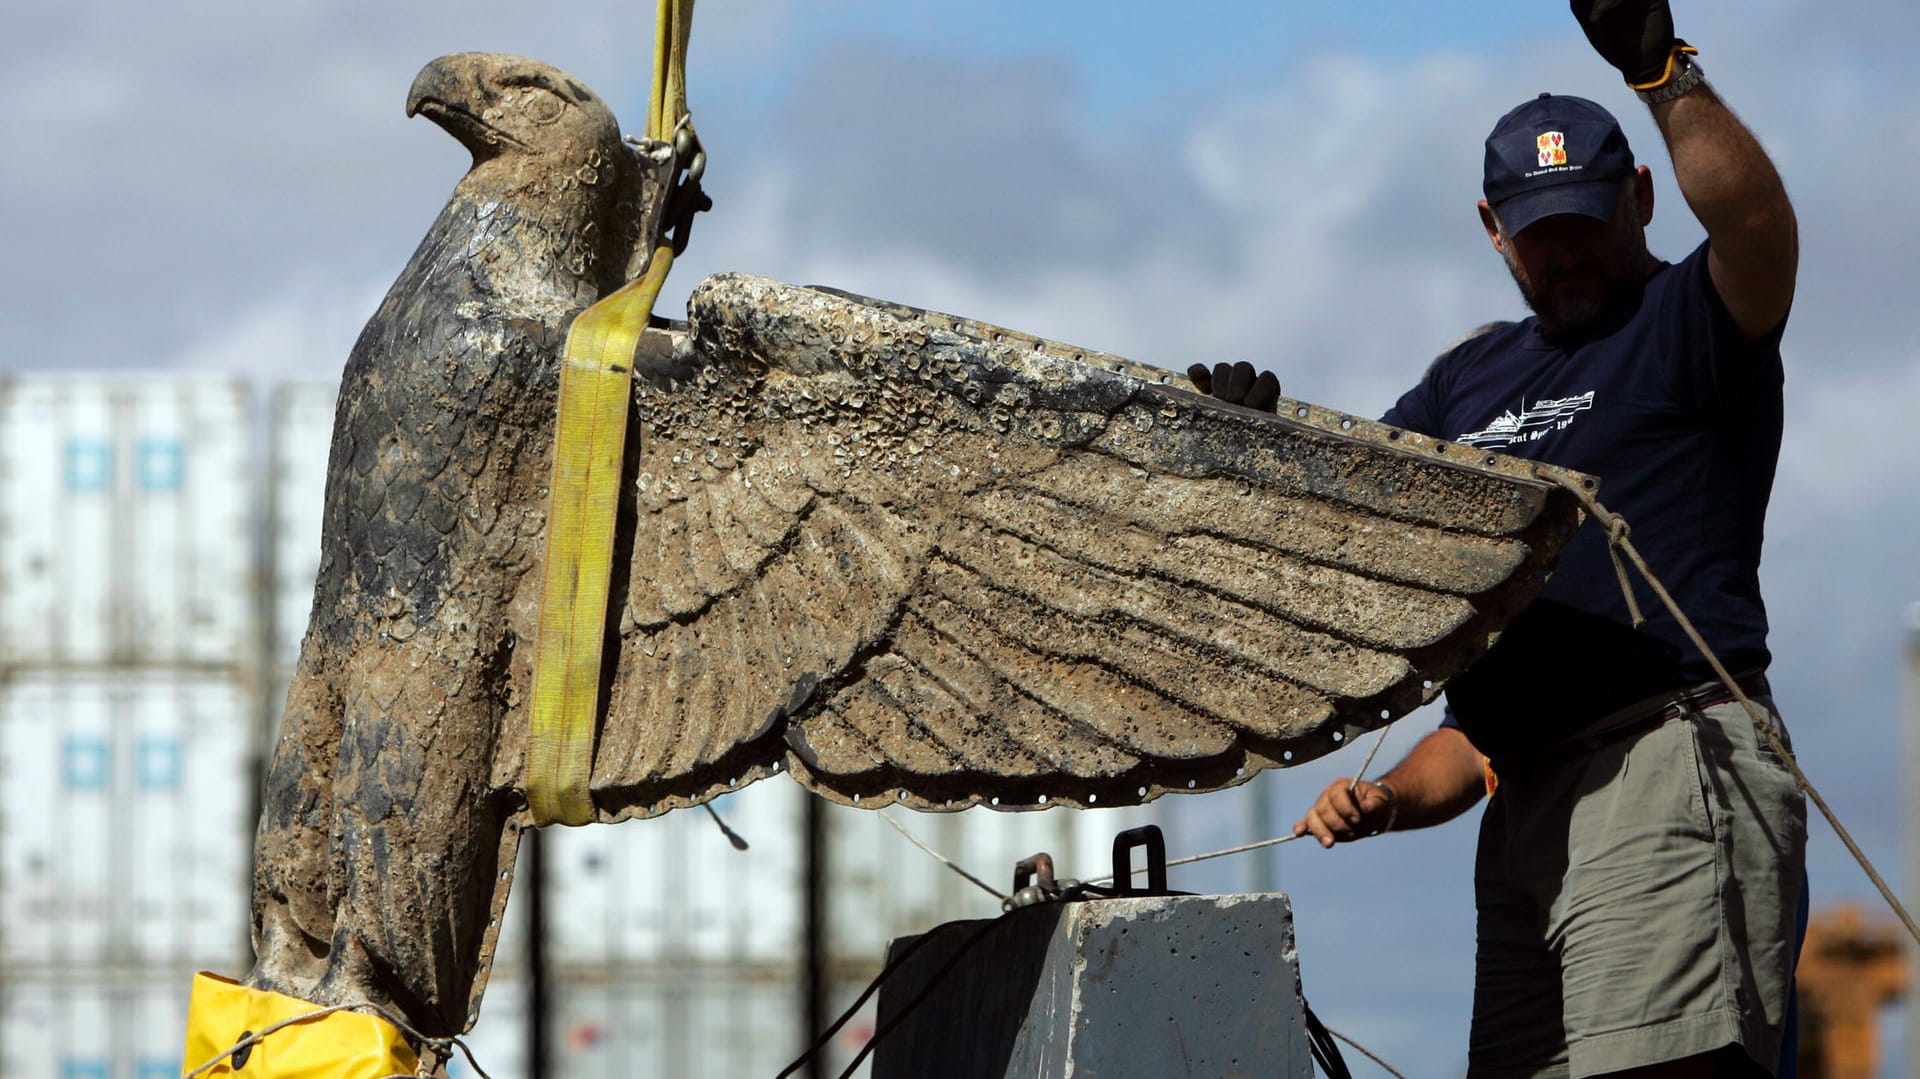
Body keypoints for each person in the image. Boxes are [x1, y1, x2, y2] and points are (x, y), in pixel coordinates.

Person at [1196, 2, 1805, 1076]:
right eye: (1539, 231)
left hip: (1661, 766)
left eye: (1586, 221)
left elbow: (1759, 234)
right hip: (1525, 812)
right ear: (1493, 229)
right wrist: (1244, 450)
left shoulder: (1691, 321)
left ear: (1641, 198)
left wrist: (1663, 73)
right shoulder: (1463, 380)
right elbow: (1362, 533)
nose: (1565, 251)